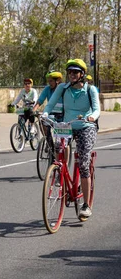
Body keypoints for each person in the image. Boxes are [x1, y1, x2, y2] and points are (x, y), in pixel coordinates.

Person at [43, 59, 99, 218]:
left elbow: (96, 110)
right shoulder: (62, 87)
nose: (72, 75)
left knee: (83, 163)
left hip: (86, 127)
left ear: (82, 74)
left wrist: (92, 118)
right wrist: (45, 114)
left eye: (75, 72)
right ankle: (61, 173)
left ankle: (86, 205)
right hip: (67, 126)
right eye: (69, 72)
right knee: (59, 150)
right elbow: (50, 104)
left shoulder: (90, 90)